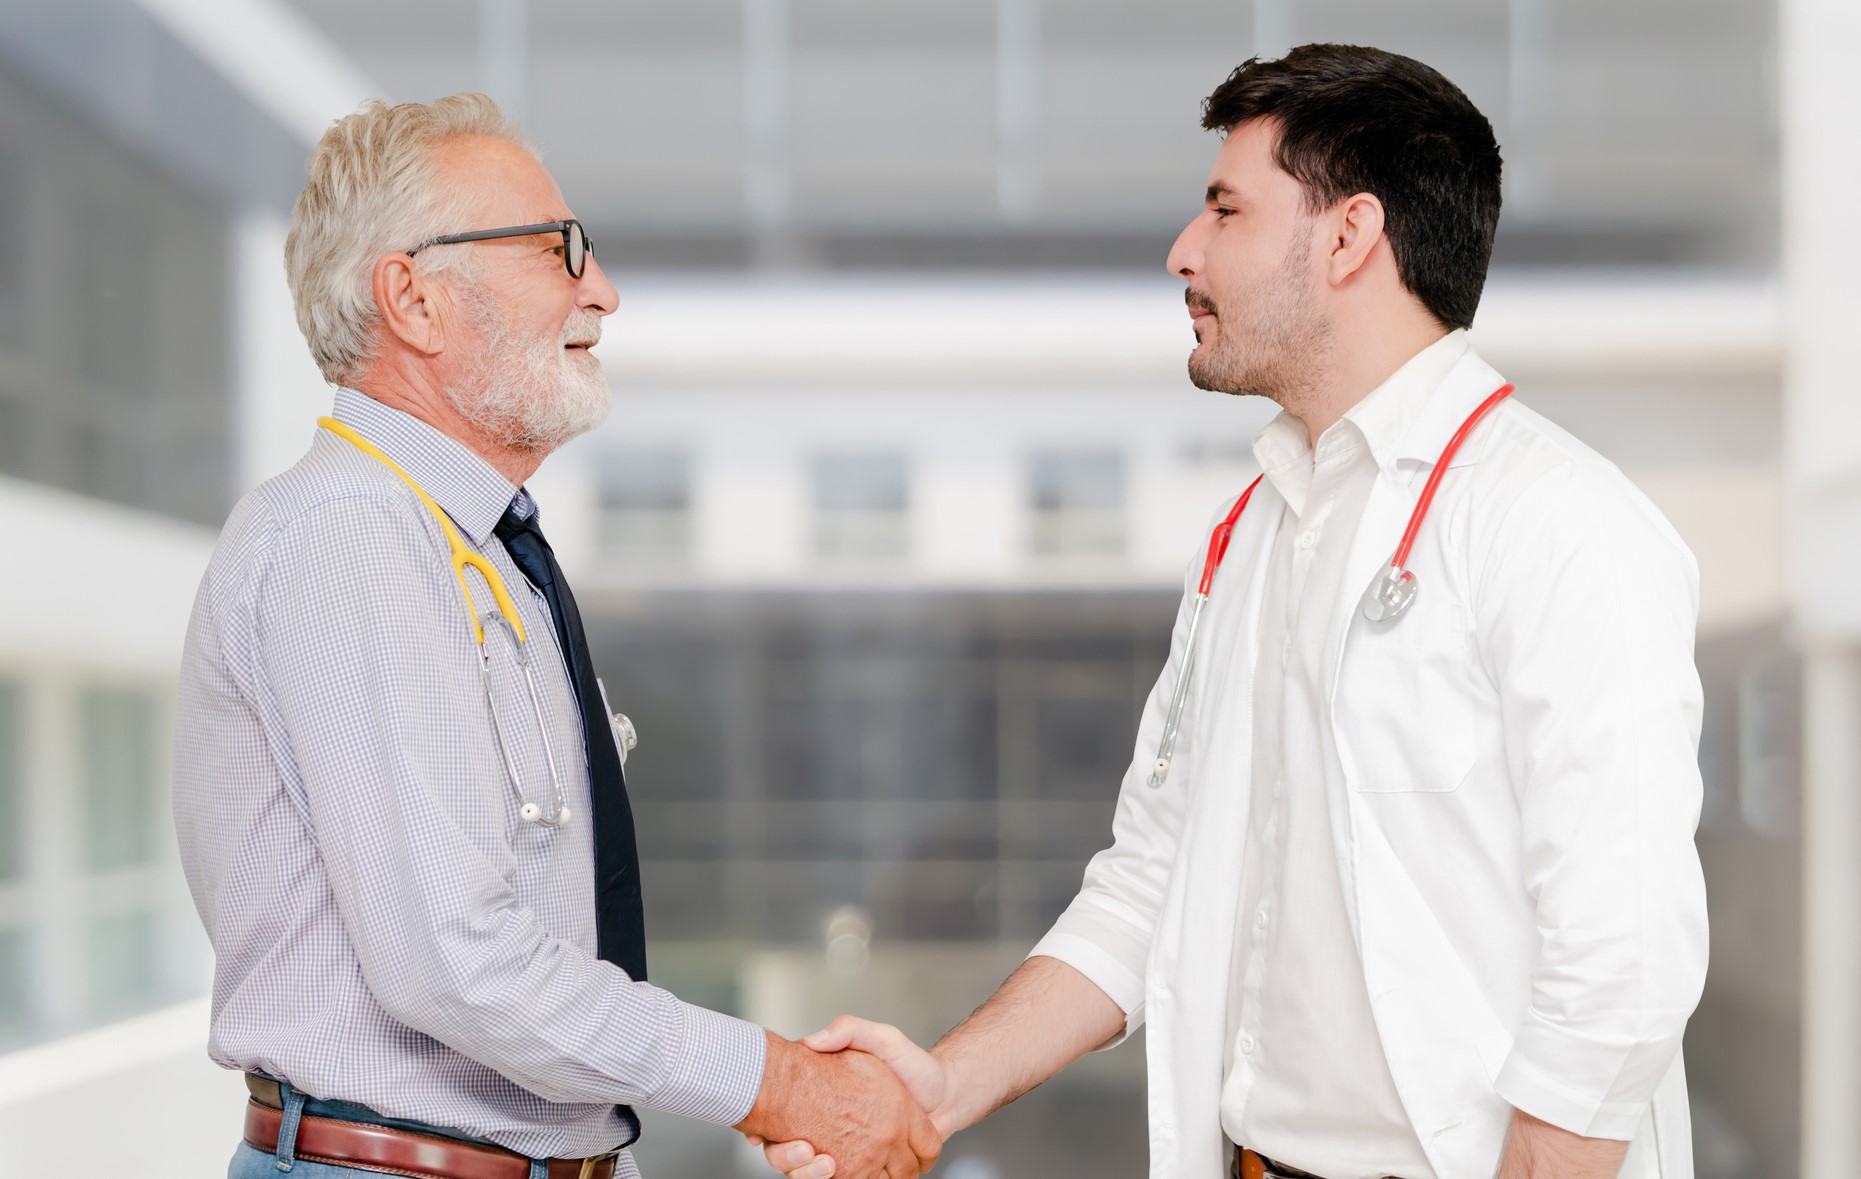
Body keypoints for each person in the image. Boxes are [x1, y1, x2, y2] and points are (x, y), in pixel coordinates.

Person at [755, 44, 1709, 1179]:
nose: (1183, 252)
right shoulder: (1257, 529)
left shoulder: (1557, 521)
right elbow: (1151, 879)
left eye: (1224, 209)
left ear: (1349, 237)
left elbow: (1625, 959)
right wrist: (944, 1089)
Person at [172, 93, 939, 1179]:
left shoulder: (475, 551)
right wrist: (783, 1082)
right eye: (555, 250)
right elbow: (455, 961)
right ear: (415, 299)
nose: (602, 290)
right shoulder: (350, 535)